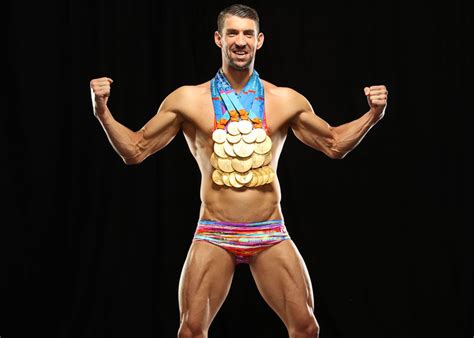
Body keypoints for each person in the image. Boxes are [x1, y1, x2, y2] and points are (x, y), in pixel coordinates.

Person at [90, 4, 387, 338]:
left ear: (260, 41)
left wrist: (373, 115)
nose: (240, 41)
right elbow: (135, 150)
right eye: (232, 33)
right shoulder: (188, 100)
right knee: (190, 330)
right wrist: (102, 112)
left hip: (269, 231)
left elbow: (333, 144)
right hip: (215, 231)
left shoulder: (284, 100)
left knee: (305, 327)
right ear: (219, 39)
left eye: (248, 34)